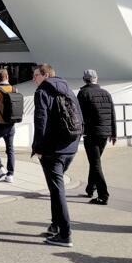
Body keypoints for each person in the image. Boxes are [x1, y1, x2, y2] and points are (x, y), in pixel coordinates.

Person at [32, 63, 82, 248]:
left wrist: (38, 147)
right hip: (71, 146)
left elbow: (40, 120)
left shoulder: (43, 91)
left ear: (45, 75)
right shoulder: (68, 89)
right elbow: (79, 116)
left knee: (57, 190)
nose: (33, 79)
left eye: (36, 75)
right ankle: (55, 226)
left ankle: (65, 234)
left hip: (53, 150)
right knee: (56, 188)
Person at [77, 69, 116, 205]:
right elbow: (112, 113)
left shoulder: (83, 93)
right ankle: (90, 188)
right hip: (105, 133)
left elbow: (79, 115)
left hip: (91, 133)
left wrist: (79, 132)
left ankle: (103, 195)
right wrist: (114, 133)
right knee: (95, 161)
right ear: (96, 78)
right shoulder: (106, 93)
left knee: (95, 163)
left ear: (84, 80)